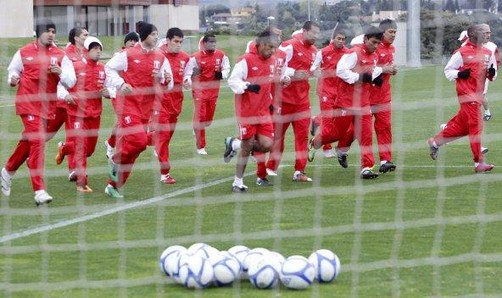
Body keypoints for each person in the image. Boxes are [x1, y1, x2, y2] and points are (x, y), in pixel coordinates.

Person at [1, 18, 76, 205]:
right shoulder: (24, 52)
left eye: (53, 31)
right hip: (27, 103)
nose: (51, 34)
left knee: (29, 141)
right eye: (48, 31)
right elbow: (13, 71)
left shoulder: (60, 55)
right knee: (38, 142)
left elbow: (71, 81)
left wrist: (60, 72)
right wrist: (12, 79)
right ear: (38, 33)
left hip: (47, 106)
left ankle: (7, 171)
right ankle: (39, 190)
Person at [104, 22, 173, 198]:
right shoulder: (128, 54)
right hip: (127, 104)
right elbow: (108, 68)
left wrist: (166, 79)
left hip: (145, 108)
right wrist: (121, 83)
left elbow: (169, 84)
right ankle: (115, 159)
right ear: (144, 36)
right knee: (140, 142)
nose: (156, 37)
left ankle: (113, 185)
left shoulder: (160, 58)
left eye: (157, 34)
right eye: (153, 34)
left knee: (134, 151)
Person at [308, 26, 385, 179]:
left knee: (366, 135)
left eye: (378, 44)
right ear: (365, 40)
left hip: (363, 103)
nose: (375, 46)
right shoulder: (353, 53)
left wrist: (376, 77)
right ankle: (315, 142)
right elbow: (341, 71)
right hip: (345, 102)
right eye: (373, 42)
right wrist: (359, 77)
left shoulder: (374, 55)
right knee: (334, 133)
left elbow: (372, 70)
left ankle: (366, 168)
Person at [427, 24, 496, 173]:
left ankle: (435, 142)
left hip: (477, 96)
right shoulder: (461, 52)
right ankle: (479, 163)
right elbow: (448, 71)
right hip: (466, 95)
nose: (486, 36)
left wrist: (491, 73)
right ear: (471, 35)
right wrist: (460, 74)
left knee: (463, 127)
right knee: (476, 126)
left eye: (488, 33)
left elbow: (492, 76)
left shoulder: (487, 52)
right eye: (483, 33)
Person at [224, 29, 282, 192]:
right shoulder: (245, 60)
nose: (272, 51)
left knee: (267, 145)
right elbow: (233, 81)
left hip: (263, 111)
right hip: (247, 111)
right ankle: (237, 182)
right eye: (270, 47)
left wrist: (270, 100)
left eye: (274, 48)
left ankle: (233, 144)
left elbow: (268, 84)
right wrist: (247, 86)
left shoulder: (272, 61)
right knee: (248, 144)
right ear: (261, 44)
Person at [265, 21, 320, 182]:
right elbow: (275, 64)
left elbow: (312, 70)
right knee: (277, 136)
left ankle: (299, 171)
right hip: (283, 99)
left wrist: (316, 72)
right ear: (304, 31)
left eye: (318, 33)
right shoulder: (289, 46)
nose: (316, 36)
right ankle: (270, 167)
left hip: (302, 101)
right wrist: (294, 73)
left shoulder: (315, 51)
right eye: (313, 33)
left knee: (302, 137)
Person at [54, 37, 108, 193]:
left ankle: (64, 148)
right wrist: (65, 96)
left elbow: (110, 88)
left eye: (99, 49)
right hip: (76, 112)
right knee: (80, 147)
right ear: (86, 50)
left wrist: (108, 93)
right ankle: (82, 182)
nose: (98, 52)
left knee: (89, 150)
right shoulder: (74, 67)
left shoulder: (103, 69)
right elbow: (59, 84)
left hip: (94, 114)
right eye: (94, 49)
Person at [46, 26, 89, 182]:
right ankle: (29, 154)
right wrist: (64, 95)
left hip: (75, 105)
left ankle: (74, 170)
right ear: (76, 37)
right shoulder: (66, 54)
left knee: (75, 136)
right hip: (60, 103)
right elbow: (60, 80)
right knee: (45, 134)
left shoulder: (84, 54)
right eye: (85, 35)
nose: (87, 37)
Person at [150, 27, 190, 184]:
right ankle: (165, 173)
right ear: (167, 40)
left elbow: (188, 74)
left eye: (181, 42)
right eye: (175, 41)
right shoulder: (157, 55)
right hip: (159, 103)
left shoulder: (186, 58)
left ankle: (131, 140)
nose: (178, 45)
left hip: (176, 102)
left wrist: (188, 80)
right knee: (164, 135)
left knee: (164, 138)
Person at [184, 34, 230, 155]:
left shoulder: (221, 55)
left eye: (214, 42)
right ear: (204, 44)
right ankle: (201, 146)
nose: (213, 44)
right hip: (199, 90)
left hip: (214, 91)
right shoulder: (195, 57)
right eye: (210, 42)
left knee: (207, 121)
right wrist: (188, 80)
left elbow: (227, 68)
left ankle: (196, 127)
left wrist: (222, 75)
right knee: (200, 117)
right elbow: (188, 73)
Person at [308, 27, 348, 160]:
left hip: (341, 92)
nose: (341, 41)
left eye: (343, 39)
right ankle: (326, 147)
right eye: (339, 39)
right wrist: (316, 71)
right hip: (325, 90)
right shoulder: (323, 52)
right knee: (329, 121)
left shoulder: (348, 53)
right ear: (333, 39)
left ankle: (315, 120)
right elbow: (313, 67)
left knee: (337, 121)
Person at [368, 19, 399, 173]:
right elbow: (366, 68)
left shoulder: (392, 49)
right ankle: (342, 149)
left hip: (384, 95)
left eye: (395, 32)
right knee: (354, 130)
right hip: (367, 96)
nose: (393, 35)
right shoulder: (373, 47)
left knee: (385, 127)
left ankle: (385, 160)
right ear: (382, 32)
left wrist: (392, 70)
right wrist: (381, 71)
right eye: (390, 32)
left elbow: (386, 68)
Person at [104, 32, 140, 160]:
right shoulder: (118, 56)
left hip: (133, 97)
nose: (132, 42)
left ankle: (110, 143)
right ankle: (118, 153)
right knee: (124, 123)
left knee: (121, 123)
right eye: (129, 40)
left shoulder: (138, 57)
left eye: (134, 40)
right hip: (118, 95)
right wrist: (110, 90)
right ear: (125, 43)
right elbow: (108, 71)